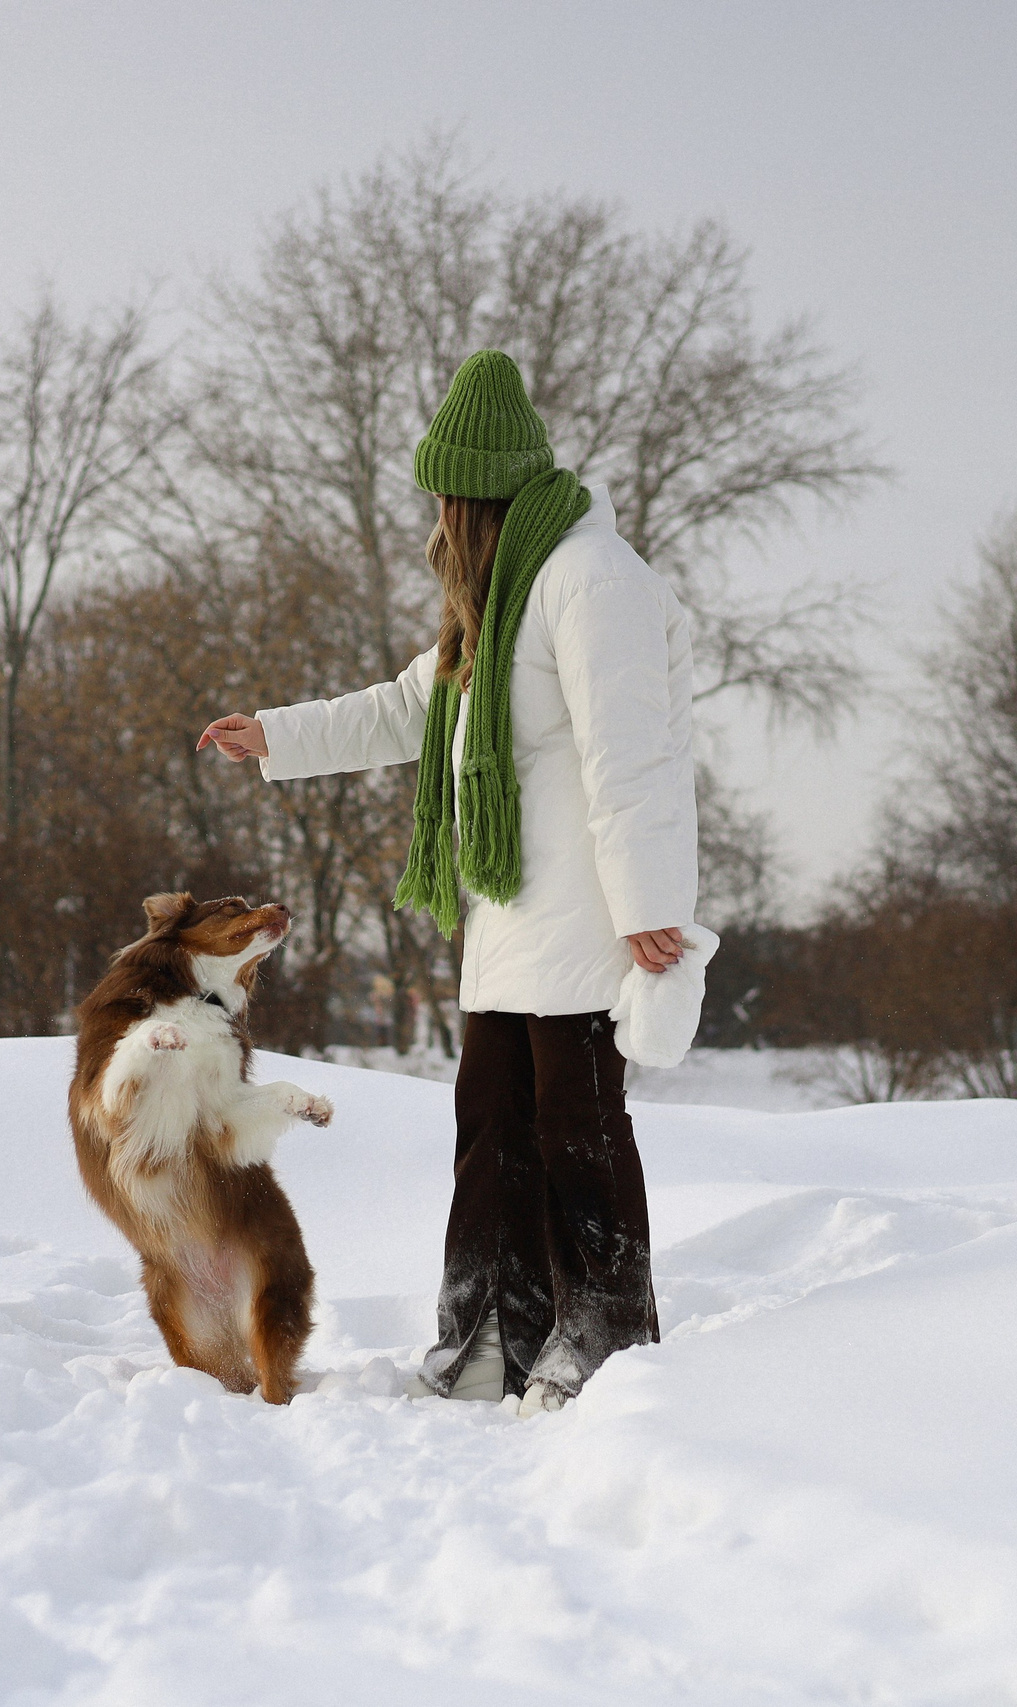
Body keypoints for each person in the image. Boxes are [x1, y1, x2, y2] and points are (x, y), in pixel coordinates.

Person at [197, 350, 697, 1416]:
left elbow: (631, 754)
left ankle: (604, 1333)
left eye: (444, 489)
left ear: (482, 489)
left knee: (578, 1130)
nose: (434, 509)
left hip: (587, 910)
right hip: (510, 914)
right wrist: (271, 734)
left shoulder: (590, 580)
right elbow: (404, 705)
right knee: (492, 1133)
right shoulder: (499, 602)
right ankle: (492, 1336)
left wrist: (651, 905)